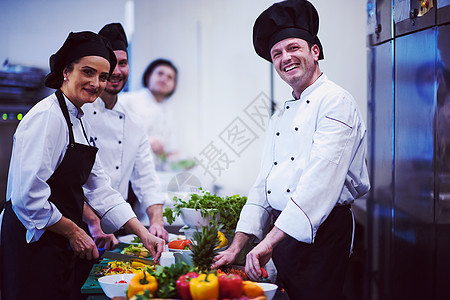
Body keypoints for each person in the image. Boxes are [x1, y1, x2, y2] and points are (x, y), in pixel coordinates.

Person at [211, 1, 370, 299]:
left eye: (293, 48)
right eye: (277, 53)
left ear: (315, 51)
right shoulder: (281, 115)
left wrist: (268, 242)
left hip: (322, 233)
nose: (286, 58)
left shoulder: (336, 102)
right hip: (283, 232)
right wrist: (238, 243)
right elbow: (264, 182)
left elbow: (318, 184)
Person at [0, 31, 164, 300]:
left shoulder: (78, 118)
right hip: (33, 239)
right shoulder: (47, 117)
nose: (96, 83)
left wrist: (143, 233)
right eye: (88, 72)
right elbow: (27, 196)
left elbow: (100, 188)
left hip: (57, 238)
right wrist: (74, 230)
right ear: (66, 71)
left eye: (102, 76)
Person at [82, 23, 169, 246]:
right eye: (110, 63)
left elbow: (146, 179)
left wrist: (156, 222)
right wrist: (93, 223)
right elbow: (64, 183)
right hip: (76, 226)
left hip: (115, 226)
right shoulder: (78, 114)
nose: (117, 71)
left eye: (123, 63)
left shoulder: (133, 123)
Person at [120, 58, 179, 162]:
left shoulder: (169, 113)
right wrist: (148, 141)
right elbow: (115, 130)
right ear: (148, 77)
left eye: (170, 77)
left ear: (173, 85)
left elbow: (171, 150)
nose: (164, 79)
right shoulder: (127, 100)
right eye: (160, 74)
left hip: (156, 170)